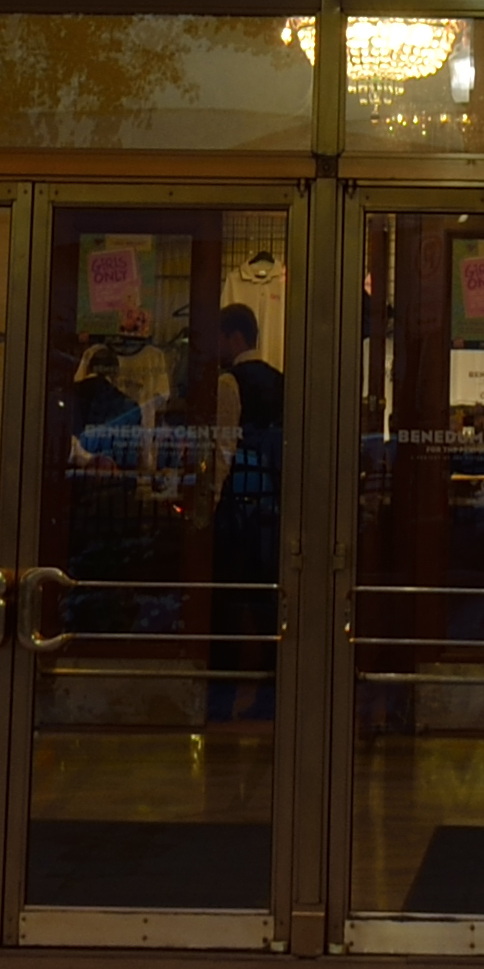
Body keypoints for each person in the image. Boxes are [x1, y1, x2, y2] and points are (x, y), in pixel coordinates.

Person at [196, 301, 289, 717]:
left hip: (238, 505)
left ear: (234, 337)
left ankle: (224, 697)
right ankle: (271, 694)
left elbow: (223, 448)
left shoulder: (229, 383)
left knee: (230, 603)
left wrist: (209, 504)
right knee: (268, 603)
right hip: (273, 506)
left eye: (219, 337)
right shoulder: (283, 381)